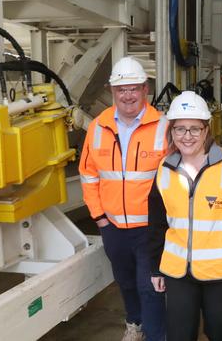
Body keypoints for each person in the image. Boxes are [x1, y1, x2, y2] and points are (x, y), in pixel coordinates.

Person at [148, 91, 222, 341]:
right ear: (171, 131)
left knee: (219, 329)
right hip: (178, 272)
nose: (186, 136)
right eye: (180, 129)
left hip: (220, 272)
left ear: (206, 130)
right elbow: (156, 225)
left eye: (194, 129)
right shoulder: (164, 170)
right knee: (180, 334)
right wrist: (155, 269)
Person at [79, 56, 167, 341]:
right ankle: (135, 323)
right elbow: (88, 174)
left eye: (134, 88)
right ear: (113, 91)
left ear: (145, 90)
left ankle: (155, 335)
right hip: (113, 227)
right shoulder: (98, 127)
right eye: (122, 89)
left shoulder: (164, 127)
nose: (128, 95)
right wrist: (100, 217)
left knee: (149, 285)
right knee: (126, 281)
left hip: (151, 228)